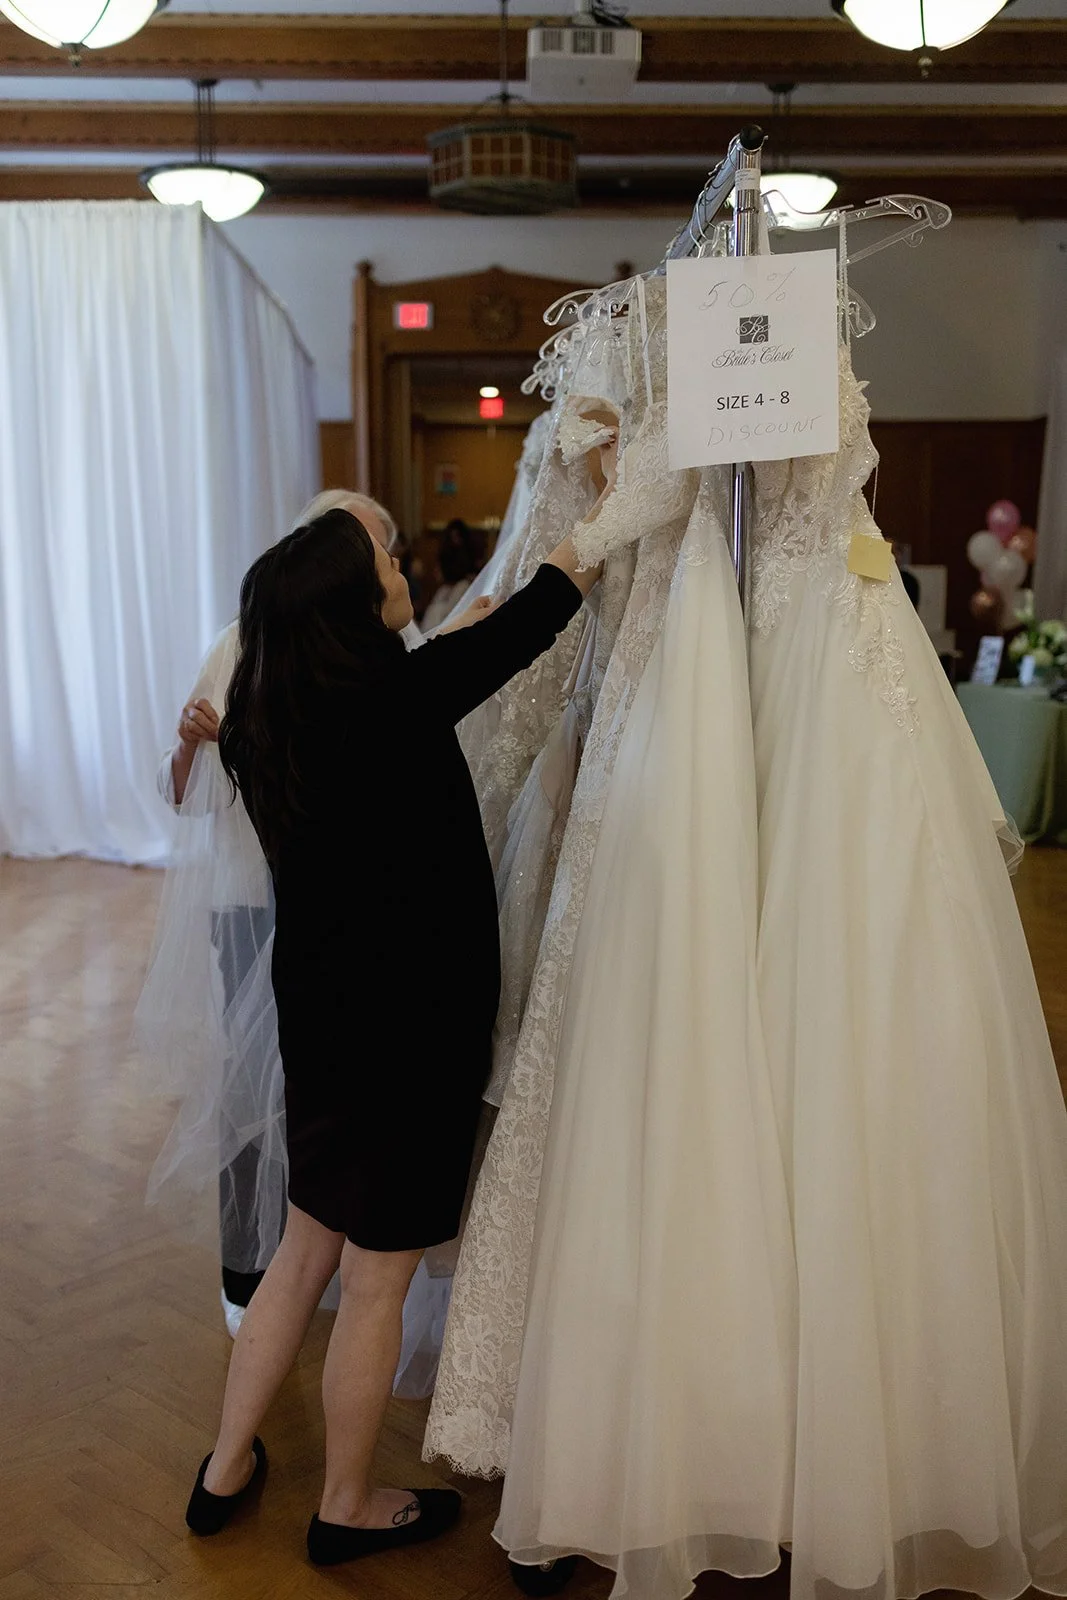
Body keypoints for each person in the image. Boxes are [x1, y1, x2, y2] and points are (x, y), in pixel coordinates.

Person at [183, 496, 608, 1566]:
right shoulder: (392, 702)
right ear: (349, 602)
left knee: (301, 1251)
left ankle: (225, 1464)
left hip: (322, 1024)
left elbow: (470, 635)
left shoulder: (268, 720)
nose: (398, 553)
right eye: (380, 552)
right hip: (409, 1033)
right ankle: (345, 1500)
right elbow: (536, 615)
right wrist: (602, 513)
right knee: (374, 1278)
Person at [153, 491, 426, 1337]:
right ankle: (247, 1276)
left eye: (380, 547)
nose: (390, 566)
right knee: (248, 1091)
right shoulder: (236, 648)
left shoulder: (390, 647)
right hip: (247, 903)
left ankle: (335, 1268)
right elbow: (184, 800)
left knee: (334, 1093)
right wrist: (196, 743)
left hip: (352, 911)